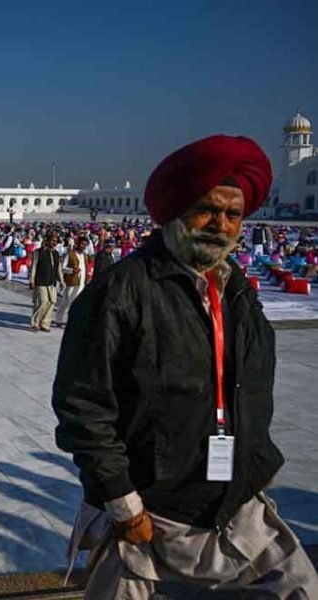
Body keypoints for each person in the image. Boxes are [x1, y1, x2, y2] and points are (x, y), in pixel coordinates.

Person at [52, 135, 318, 598]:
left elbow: (254, 381)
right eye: (207, 210)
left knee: (298, 586)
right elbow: (83, 405)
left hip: (233, 505)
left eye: (232, 215)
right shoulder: (123, 290)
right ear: (177, 210)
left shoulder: (237, 291)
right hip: (149, 508)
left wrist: (258, 458)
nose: (220, 225)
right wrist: (121, 502)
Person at [28, 233, 63, 332]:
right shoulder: (38, 252)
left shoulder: (56, 253)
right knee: (42, 302)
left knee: (51, 302)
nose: (54, 243)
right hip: (41, 281)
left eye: (56, 241)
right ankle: (35, 322)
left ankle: (45, 322)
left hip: (52, 281)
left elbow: (58, 268)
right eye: (52, 241)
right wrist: (31, 280)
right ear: (46, 240)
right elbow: (33, 267)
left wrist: (61, 280)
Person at [53, 237, 88, 327]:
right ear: (77, 244)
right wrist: (72, 270)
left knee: (77, 303)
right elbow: (63, 268)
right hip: (72, 281)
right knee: (66, 301)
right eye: (82, 244)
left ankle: (72, 320)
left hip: (81, 282)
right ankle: (59, 319)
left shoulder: (84, 255)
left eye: (85, 245)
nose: (83, 246)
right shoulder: (71, 254)